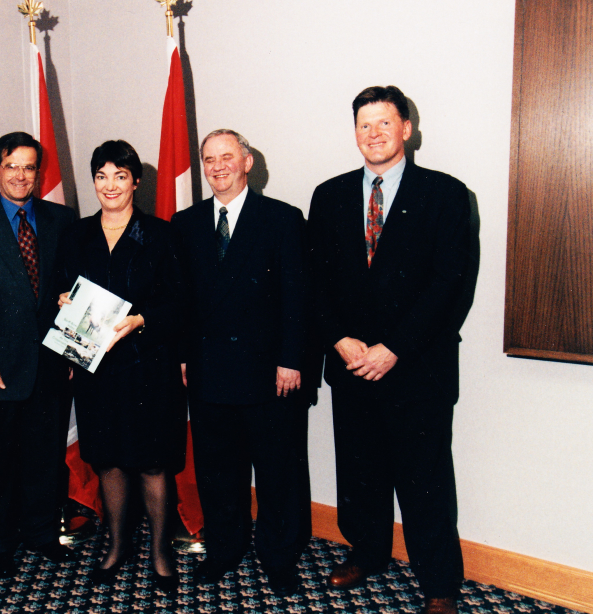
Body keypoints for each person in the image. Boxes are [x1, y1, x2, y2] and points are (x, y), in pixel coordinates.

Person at [306, 85, 473, 614]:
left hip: (416, 370)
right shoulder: (328, 195)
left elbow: (450, 284)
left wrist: (393, 348)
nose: (373, 134)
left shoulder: (446, 194)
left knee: (425, 485)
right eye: (363, 125)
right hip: (351, 364)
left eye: (384, 123)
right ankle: (368, 554)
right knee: (360, 475)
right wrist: (339, 339)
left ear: (406, 129)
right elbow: (314, 282)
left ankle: (440, 585)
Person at [172, 129, 309, 597]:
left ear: (247, 161)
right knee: (217, 471)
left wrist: (291, 360)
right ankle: (224, 550)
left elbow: (297, 298)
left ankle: (278, 556)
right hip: (209, 371)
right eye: (209, 159)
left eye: (227, 157)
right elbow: (183, 301)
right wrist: (186, 357)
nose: (217, 167)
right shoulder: (185, 222)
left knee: (276, 472)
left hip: (269, 373)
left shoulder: (282, 218)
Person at [55, 140, 186, 595]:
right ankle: (115, 545)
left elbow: (179, 302)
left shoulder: (162, 234)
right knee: (107, 460)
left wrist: (142, 319)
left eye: (120, 175)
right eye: (101, 176)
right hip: (96, 371)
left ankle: (161, 552)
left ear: (136, 181)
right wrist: (62, 302)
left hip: (149, 366)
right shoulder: (75, 235)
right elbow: (60, 294)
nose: (110, 185)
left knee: (152, 463)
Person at [0, 132, 77, 577]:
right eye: (12, 166)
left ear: (38, 172)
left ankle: (42, 534)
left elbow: (71, 289)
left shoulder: (62, 219)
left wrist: (71, 350)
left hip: (50, 362)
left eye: (29, 167)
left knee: (45, 455)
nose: (21, 175)